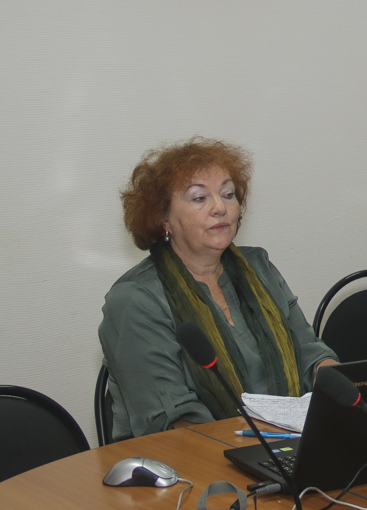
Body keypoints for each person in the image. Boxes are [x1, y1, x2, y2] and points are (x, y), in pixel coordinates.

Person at [99, 138, 338, 441]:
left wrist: (339, 384)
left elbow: (309, 353)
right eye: (199, 198)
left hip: (285, 445)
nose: (220, 208)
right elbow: (171, 422)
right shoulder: (135, 299)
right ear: (163, 218)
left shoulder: (258, 267)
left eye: (228, 194)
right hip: (188, 457)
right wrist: (257, 444)